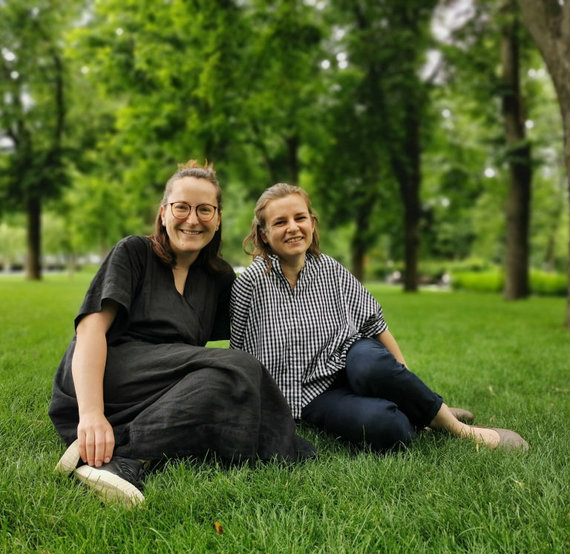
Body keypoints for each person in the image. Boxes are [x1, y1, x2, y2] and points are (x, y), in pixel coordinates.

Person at [49, 162, 315, 507]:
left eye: (205, 209)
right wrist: (91, 414)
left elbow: (204, 360)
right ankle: (123, 459)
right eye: (181, 207)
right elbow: (90, 332)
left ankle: (122, 453)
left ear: (218, 218)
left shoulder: (218, 278)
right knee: (239, 367)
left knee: (223, 383)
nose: (193, 219)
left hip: (161, 386)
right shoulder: (134, 252)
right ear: (163, 213)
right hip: (106, 374)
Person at [230, 183, 529, 454]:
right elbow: (238, 353)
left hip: (351, 363)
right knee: (390, 428)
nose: (292, 228)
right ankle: (426, 414)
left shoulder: (329, 269)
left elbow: (375, 324)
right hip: (309, 395)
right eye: (280, 222)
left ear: (311, 222)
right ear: (264, 234)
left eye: (300, 217)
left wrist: (404, 376)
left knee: (372, 362)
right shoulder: (250, 283)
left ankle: (458, 428)